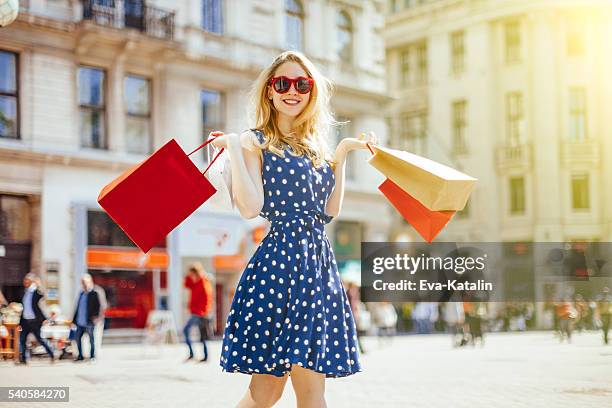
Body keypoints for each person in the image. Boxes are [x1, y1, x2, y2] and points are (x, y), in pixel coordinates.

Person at [212, 50, 376, 407]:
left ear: (312, 91)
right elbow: (251, 208)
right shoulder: (253, 141)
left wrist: (344, 153)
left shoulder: (317, 147)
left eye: (302, 84)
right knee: (266, 392)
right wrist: (233, 150)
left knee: (312, 389)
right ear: (269, 90)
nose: (292, 91)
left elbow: (330, 210)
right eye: (282, 83)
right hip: (277, 268)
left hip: (317, 268)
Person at [18, 273, 55, 364]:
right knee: (22, 339)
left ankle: (52, 354)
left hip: (35, 321)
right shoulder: (25, 292)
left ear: (31, 282)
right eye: (24, 281)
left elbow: (43, 296)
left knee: (40, 339)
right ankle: (24, 359)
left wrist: (38, 285)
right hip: (26, 320)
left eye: (27, 281)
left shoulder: (36, 292)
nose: (25, 282)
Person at [183, 262, 214, 362]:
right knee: (202, 334)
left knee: (187, 330)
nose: (191, 276)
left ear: (195, 273)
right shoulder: (195, 283)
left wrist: (203, 312)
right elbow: (186, 284)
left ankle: (194, 354)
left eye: (191, 274)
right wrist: (189, 276)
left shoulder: (203, 282)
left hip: (200, 313)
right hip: (196, 312)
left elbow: (208, 298)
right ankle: (204, 356)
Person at [72, 273, 101, 361]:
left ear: (90, 282)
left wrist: (95, 317)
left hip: (89, 321)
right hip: (80, 321)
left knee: (91, 340)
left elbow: (98, 306)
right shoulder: (81, 294)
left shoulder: (94, 293)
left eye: (85, 282)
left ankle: (92, 356)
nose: (84, 284)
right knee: (77, 339)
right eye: (82, 282)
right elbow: (77, 307)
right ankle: (80, 356)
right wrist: (73, 320)